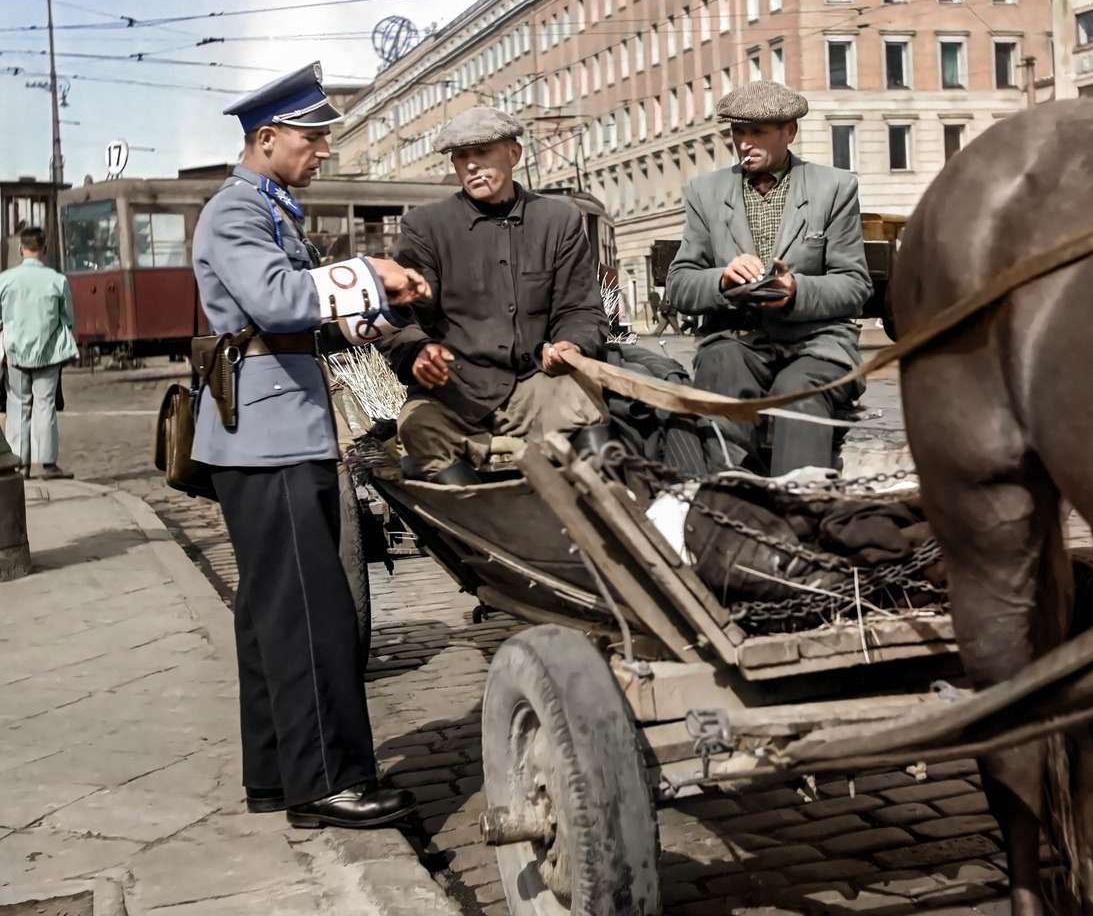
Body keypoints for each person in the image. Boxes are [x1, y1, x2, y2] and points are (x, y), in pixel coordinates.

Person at [191, 62, 425, 829]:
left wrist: (382, 304)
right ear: (266, 140)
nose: (323, 150)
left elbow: (303, 313)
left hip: (274, 429)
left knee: (270, 617)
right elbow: (278, 298)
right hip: (267, 439)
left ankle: (277, 775)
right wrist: (369, 272)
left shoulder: (269, 209)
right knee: (310, 614)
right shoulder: (236, 212)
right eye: (312, 137)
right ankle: (327, 782)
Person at [387, 106, 610, 482]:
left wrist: (571, 344)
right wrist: (417, 352)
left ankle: (590, 522)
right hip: (452, 391)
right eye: (461, 157)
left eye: (482, 153)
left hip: (533, 382)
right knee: (418, 429)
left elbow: (580, 308)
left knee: (585, 407)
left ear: (514, 154)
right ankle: (475, 532)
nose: (471, 166)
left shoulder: (558, 222)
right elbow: (400, 316)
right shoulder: (425, 227)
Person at [665, 80, 872, 475]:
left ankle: (796, 508)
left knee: (798, 394)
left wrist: (796, 291)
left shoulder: (834, 188)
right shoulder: (705, 193)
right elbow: (679, 284)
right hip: (735, 341)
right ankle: (730, 495)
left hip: (816, 344)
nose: (744, 142)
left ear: (789, 131)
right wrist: (722, 281)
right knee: (721, 370)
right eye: (737, 132)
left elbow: (854, 284)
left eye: (757, 132)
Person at [0, 227, 77, 479]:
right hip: (48, 353)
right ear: (44, 249)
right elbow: (68, 318)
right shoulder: (57, 280)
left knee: (18, 406)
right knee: (45, 405)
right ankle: (47, 464)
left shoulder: (5, 280)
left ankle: (19, 464)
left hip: (15, 353)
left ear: (21, 249)